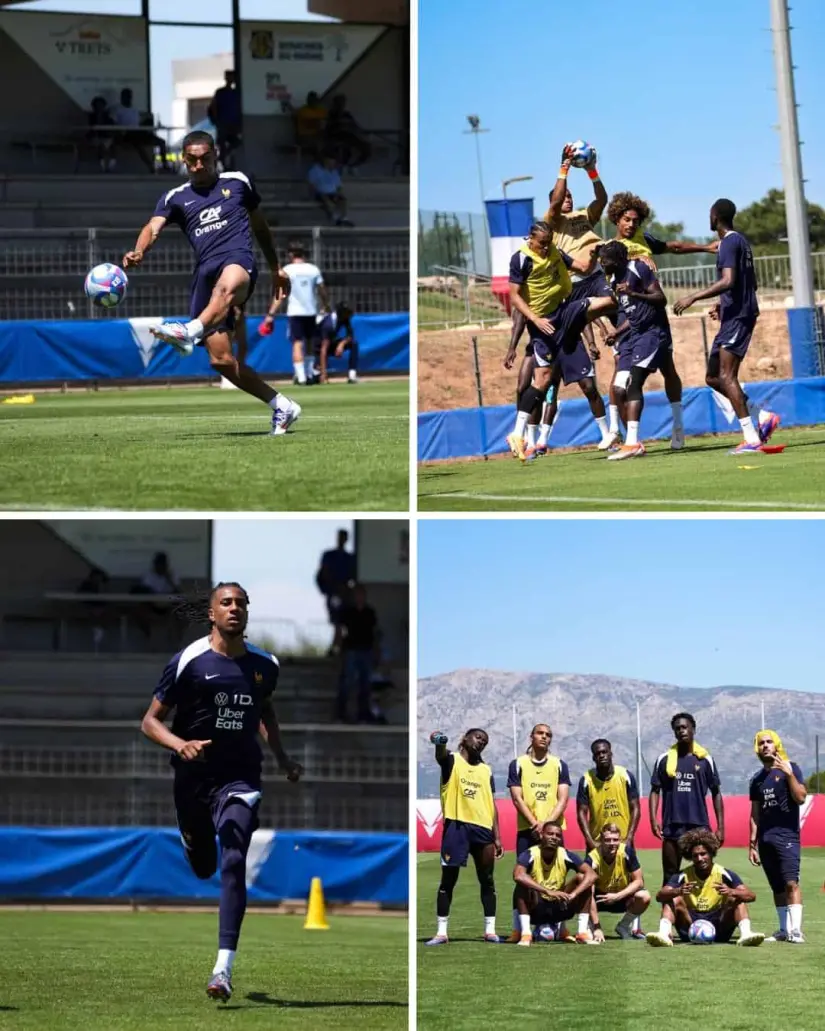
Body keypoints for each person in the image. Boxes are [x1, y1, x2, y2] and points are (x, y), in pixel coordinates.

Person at [139, 582, 303, 999]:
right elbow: (150, 721)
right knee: (203, 864)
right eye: (226, 603)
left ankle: (222, 969)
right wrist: (180, 744)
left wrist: (282, 757)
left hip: (241, 778)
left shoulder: (266, 665)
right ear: (212, 613)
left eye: (241, 604)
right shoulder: (189, 661)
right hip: (193, 781)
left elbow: (264, 710)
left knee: (234, 856)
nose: (235, 609)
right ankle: (192, 836)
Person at [122, 131, 301, 437]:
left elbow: (259, 225)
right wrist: (140, 250)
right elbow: (152, 228)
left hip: (238, 261)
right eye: (191, 160)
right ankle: (282, 405)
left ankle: (189, 331)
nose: (198, 165)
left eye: (205, 158)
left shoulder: (237, 182)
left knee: (227, 288)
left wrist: (275, 268)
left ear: (215, 155)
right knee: (221, 360)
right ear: (184, 160)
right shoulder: (175, 198)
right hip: (205, 274)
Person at [604, 191, 716, 446]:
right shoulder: (610, 250)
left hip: (653, 313)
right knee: (623, 375)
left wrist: (705, 247)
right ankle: (619, 431)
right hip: (627, 316)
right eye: (626, 219)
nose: (631, 224)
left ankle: (677, 426)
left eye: (635, 220)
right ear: (616, 220)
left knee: (667, 368)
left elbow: (673, 247)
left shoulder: (644, 239)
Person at [504, 220, 617, 461]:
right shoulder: (521, 259)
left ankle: (607, 435)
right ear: (531, 239)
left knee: (609, 301)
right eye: (542, 244)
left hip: (564, 313)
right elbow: (514, 296)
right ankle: (518, 434)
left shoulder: (555, 251)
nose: (546, 248)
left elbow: (585, 268)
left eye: (549, 243)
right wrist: (534, 318)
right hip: (542, 325)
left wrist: (594, 253)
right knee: (542, 381)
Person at [673, 198, 780, 454]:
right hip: (733, 314)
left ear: (715, 216)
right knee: (712, 377)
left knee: (727, 376)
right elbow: (749, 283)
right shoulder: (737, 242)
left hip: (740, 316)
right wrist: (723, 304)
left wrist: (693, 296)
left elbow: (729, 279)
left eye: (709, 214)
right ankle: (761, 415)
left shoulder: (731, 241)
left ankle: (751, 437)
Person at [598, 240, 675, 459]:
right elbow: (632, 316)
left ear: (619, 259)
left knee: (635, 382)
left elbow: (661, 299)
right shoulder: (614, 280)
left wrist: (633, 292)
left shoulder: (638, 268)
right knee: (619, 389)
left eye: (606, 260)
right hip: (634, 335)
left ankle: (633, 443)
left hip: (652, 333)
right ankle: (629, 442)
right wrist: (616, 332)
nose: (602, 264)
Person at [425, 728, 503, 945]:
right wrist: (439, 742)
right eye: (478, 738)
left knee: (487, 880)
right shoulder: (451, 761)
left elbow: (492, 804)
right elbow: (440, 754)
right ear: (466, 739)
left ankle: (490, 931)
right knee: (448, 880)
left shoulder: (486, 770)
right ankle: (441, 932)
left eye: (485, 741)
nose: (481, 743)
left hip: (483, 829)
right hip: (456, 827)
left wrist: (497, 837)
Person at [504, 724, 571, 942]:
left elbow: (563, 798)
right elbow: (517, 798)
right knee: (522, 879)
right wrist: (535, 824)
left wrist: (548, 825)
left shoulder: (560, 764)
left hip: (554, 831)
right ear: (531, 736)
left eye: (548, 735)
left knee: (558, 877)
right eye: (540, 733)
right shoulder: (518, 764)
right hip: (527, 830)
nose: (545, 737)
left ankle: (560, 927)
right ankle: (518, 929)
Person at [646, 829, 764, 947]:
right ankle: (663, 934)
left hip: (719, 927)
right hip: (690, 925)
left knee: (737, 899)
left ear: (711, 853)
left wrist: (731, 891)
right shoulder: (682, 875)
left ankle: (746, 934)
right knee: (673, 899)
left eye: (703, 854)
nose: (700, 859)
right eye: (695, 856)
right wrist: (678, 890)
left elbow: (751, 896)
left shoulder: (724, 874)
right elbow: (659, 896)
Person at [649, 713, 724, 884]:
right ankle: (669, 911)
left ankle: (702, 910)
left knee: (704, 875)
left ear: (693, 729)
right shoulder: (664, 760)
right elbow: (655, 790)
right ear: (674, 733)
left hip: (699, 827)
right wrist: (653, 819)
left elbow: (716, 792)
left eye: (684, 727)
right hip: (672, 826)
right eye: (677, 728)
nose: (681, 731)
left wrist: (721, 827)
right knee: (670, 876)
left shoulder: (705, 760)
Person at [749, 729, 807, 943]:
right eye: (761, 743)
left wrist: (789, 773)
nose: (765, 746)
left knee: (791, 883)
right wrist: (752, 844)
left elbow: (800, 797)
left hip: (787, 837)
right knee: (776, 887)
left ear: (777, 745)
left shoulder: (791, 768)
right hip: (765, 840)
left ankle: (796, 931)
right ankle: (783, 930)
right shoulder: (756, 780)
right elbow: (754, 814)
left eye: (769, 742)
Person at [512, 821, 597, 946]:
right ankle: (525, 934)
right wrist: (547, 891)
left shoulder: (566, 854)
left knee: (582, 878)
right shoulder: (530, 853)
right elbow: (518, 875)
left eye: (557, 835)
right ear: (541, 835)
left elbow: (592, 874)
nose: (554, 838)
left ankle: (582, 932)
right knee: (522, 884)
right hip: (537, 907)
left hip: (560, 906)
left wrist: (574, 894)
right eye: (550, 834)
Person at [263, 242, 329, 386]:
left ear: (290, 254)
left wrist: (271, 314)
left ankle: (301, 377)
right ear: (304, 254)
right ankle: (310, 373)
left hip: (295, 312)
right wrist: (325, 305)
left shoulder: (287, 270)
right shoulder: (313, 269)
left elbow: (280, 295)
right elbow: (322, 290)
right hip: (311, 311)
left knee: (297, 343)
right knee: (310, 343)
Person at [585, 823, 650, 941]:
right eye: (607, 840)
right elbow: (589, 893)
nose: (611, 844)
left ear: (620, 840)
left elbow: (639, 881)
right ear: (601, 840)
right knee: (584, 893)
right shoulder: (592, 858)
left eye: (615, 840)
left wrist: (616, 896)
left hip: (621, 897)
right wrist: (597, 927)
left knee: (644, 896)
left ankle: (623, 926)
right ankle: (590, 926)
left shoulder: (626, 852)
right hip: (600, 898)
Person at [576, 739, 640, 851]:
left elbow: (635, 808)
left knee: (631, 869)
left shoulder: (625, 776)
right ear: (593, 758)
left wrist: (629, 838)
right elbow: (581, 812)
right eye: (597, 754)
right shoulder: (586, 780)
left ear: (611, 754)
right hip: (598, 843)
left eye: (604, 752)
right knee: (590, 869)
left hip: (623, 841)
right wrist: (590, 841)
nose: (601, 756)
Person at [335, 584, 380, 723]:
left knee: (365, 684)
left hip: (366, 650)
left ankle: (363, 713)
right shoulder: (348, 612)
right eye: (357, 595)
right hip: (352, 650)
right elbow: (341, 631)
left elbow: (374, 633)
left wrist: (376, 651)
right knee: (347, 682)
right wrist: (338, 648)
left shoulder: (369, 612)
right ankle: (341, 713)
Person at [110, 87, 170, 173]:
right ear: (121, 97)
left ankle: (165, 165)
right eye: (126, 96)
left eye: (129, 96)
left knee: (161, 142)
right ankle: (150, 166)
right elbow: (114, 123)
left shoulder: (134, 109)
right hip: (126, 135)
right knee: (138, 144)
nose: (128, 98)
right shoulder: (117, 109)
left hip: (139, 132)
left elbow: (138, 123)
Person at [315, 529, 356, 652]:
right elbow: (322, 575)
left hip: (345, 595)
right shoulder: (329, 556)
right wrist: (329, 589)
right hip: (334, 594)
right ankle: (336, 647)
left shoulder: (349, 558)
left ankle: (338, 647)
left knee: (343, 622)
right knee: (337, 621)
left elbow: (353, 576)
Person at [323, 94, 371, 171]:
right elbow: (328, 129)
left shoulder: (347, 115)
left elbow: (356, 126)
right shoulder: (331, 115)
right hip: (335, 138)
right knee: (340, 150)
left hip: (349, 137)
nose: (341, 105)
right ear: (335, 104)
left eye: (342, 103)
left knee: (366, 147)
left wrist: (361, 134)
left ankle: (353, 166)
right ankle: (340, 168)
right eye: (339, 103)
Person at [208, 70, 242, 171]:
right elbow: (213, 107)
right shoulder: (220, 92)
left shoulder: (236, 93)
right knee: (222, 144)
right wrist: (216, 121)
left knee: (236, 143)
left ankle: (224, 159)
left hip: (233, 123)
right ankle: (223, 165)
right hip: (223, 123)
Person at [307, 154, 353, 226]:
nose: (333, 163)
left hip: (333, 193)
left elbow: (339, 186)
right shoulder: (315, 170)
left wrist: (339, 194)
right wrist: (312, 195)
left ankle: (343, 218)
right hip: (320, 193)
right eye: (331, 161)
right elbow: (312, 185)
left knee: (343, 201)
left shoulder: (334, 172)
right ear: (326, 160)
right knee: (328, 201)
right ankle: (335, 219)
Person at [318, 302, 358, 384]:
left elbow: (350, 335)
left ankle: (352, 375)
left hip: (330, 344)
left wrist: (342, 344)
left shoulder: (344, 319)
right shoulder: (328, 324)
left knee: (354, 344)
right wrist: (323, 374)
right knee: (314, 378)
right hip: (317, 349)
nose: (349, 315)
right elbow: (323, 349)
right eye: (347, 313)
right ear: (341, 312)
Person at [294, 91, 327, 158]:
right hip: (305, 136)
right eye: (311, 100)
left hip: (319, 135)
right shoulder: (303, 111)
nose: (313, 101)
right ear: (307, 100)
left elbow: (328, 120)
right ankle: (320, 161)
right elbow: (311, 123)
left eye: (314, 100)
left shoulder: (322, 110)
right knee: (321, 141)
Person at [88, 96, 115, 172]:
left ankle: (111, 165)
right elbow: (88, 129)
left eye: (101, 105)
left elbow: (112, 127)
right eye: (97, 105)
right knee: (100, 145)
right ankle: (102, 166)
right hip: (94, 138)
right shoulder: (90, 117)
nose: (99, 107)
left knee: (110, 144)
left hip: (106, 137)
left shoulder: (108, 117)